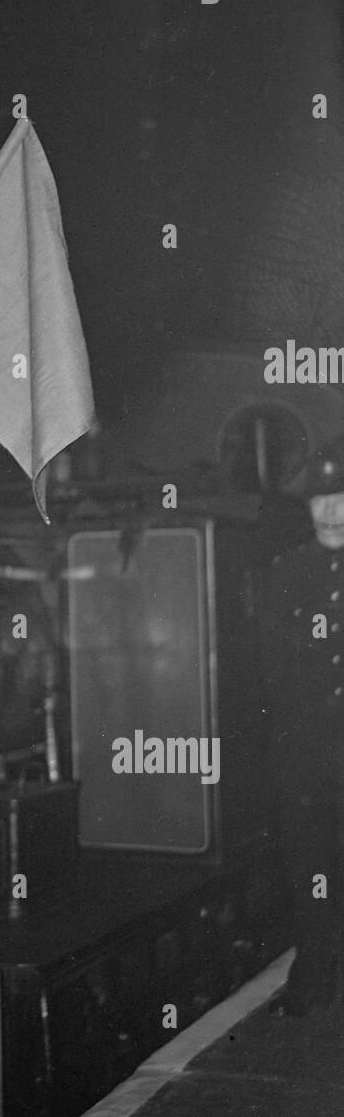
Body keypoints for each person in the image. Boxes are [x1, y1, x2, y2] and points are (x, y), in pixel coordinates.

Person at [261, 434, 344, 1017]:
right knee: (310, 868)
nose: (332, 512)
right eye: (320, 500)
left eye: (342, 497)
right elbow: (273, 674)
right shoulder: (286, 572)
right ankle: (314, 976)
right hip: (309, 758)